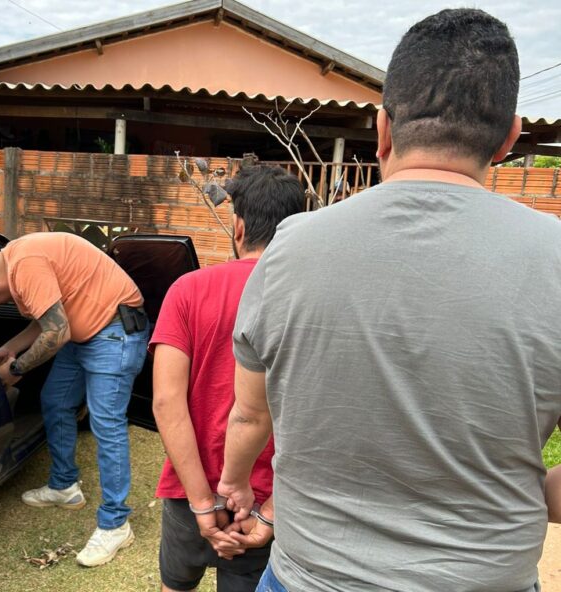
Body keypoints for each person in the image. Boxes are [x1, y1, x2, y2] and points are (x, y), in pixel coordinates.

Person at [218, 9, 561, 592]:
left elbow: (250, 413)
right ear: (508, 139)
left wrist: (235, 483)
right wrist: (522, 492)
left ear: (382, 129)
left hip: (310, 577)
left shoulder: (291, 249)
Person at [151, 165, 304, 592]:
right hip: (264, 502)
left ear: (237, 227)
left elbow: (166, 402)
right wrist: (271, 511)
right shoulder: (306, 300)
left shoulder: (187, 289)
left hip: (189, 488)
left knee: (175, 586)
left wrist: (201, 501)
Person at [0, 232, 148, 567]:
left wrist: (15, 368)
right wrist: (13, 345)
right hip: (83, 332)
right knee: (55, 401)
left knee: (107, 427)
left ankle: (116, 524)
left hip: (114, 332)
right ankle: (64, 486)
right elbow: (49, 319)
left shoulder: (25, 264)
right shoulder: (15, 258)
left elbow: (56, 333)